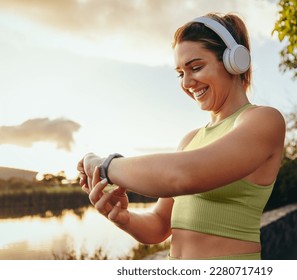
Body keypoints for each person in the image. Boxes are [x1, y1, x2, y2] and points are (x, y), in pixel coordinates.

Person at [77, 12, 285, 260]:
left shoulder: (264, 120)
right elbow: (159, 224)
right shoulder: (190, 140)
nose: (187, 82)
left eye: (195, 67)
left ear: (235, 62)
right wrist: (124, 219)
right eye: (180, 73)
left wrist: (104, 165)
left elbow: (182, 175)